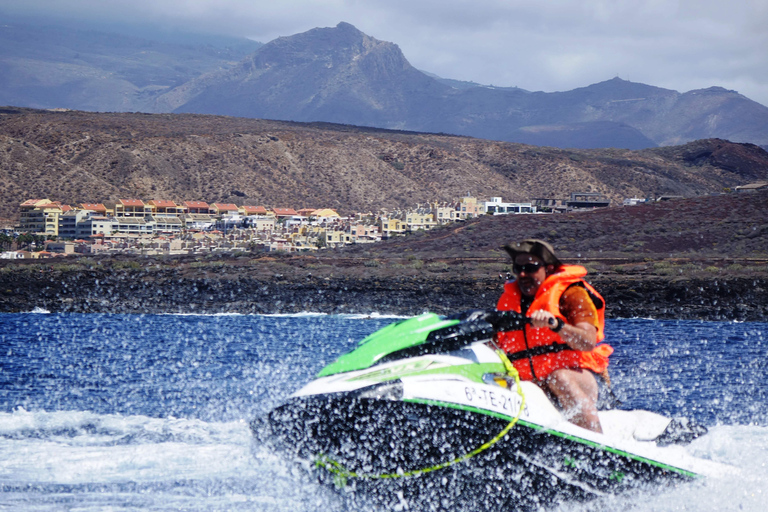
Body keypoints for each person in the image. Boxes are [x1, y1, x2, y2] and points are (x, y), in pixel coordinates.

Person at [495, 239, 612, 433]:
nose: (523, 274)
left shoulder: (572, 293)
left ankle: (598, 445)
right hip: (536, 384)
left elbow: (588, 341)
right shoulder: (509, 303)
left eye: (531, 268)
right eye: (518, 268)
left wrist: (556, 325)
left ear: (548, 268)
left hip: (581, 379)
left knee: (558, 377)